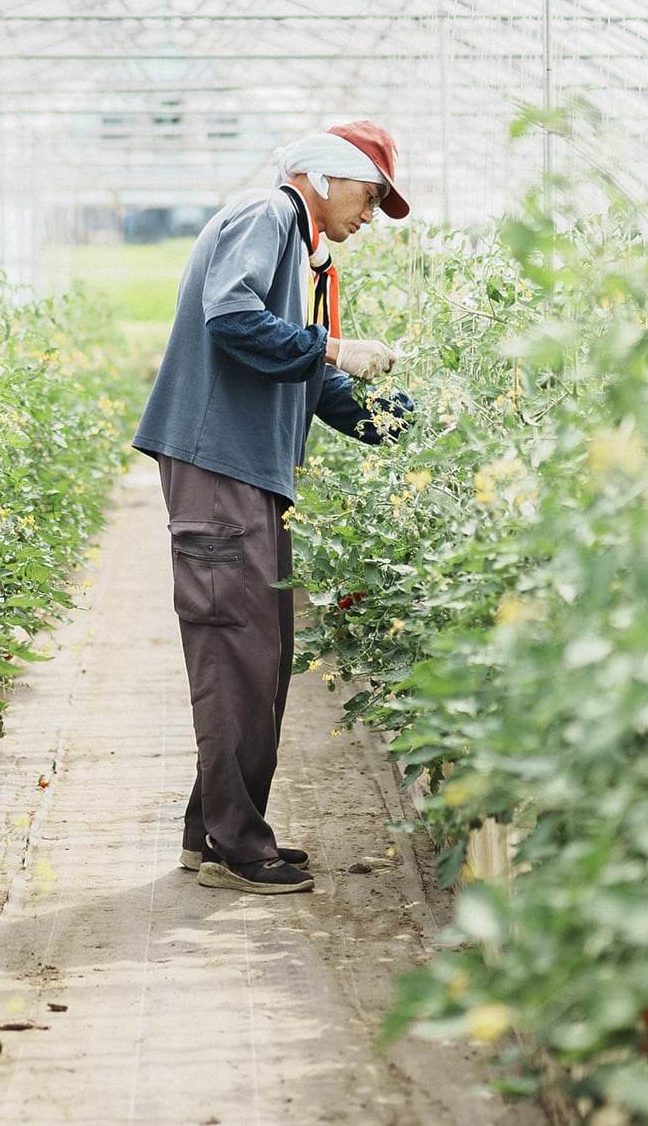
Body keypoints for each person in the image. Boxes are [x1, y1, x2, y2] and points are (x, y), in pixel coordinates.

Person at [132, 120, 413, 895]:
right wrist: (328, 346)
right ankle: (234, 844)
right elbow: (231, 320)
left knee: (260, 654)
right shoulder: (268, 215)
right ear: (324, 177)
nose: (371, 212)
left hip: (248, 473)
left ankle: (217, 830)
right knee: (234, 653)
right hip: (217, 465)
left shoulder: (302, 251)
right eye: (370, 192)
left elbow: (313, 383)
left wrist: (410, 425)